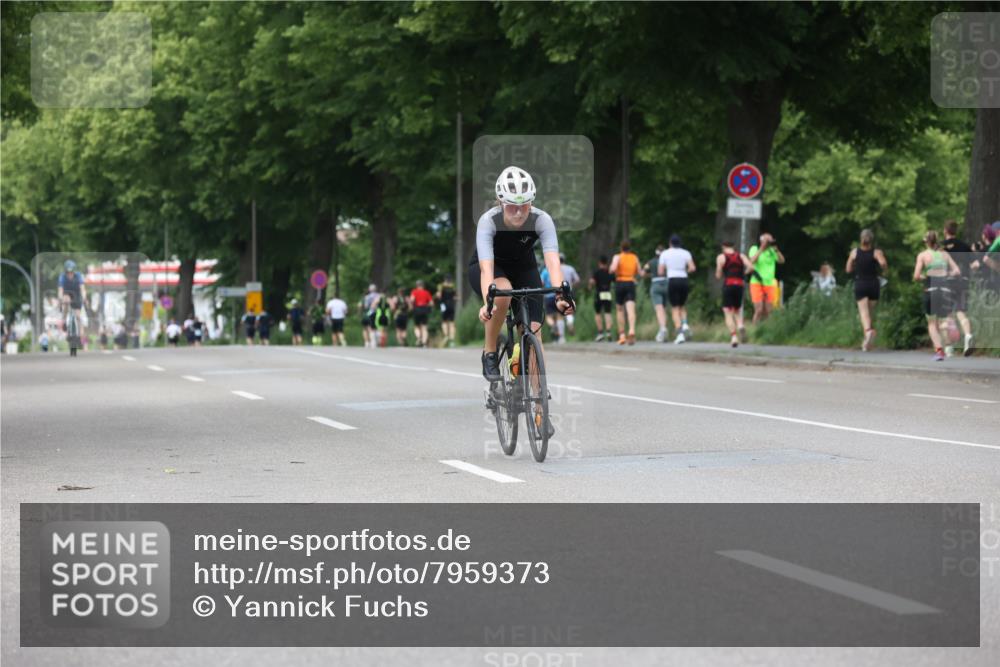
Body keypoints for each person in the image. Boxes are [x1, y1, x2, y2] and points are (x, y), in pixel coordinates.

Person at [468, 164, 573, 417]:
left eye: (524, 205)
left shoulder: (542, 220)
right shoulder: (488, 221)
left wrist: (561, 295)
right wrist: (488, 303)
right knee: (501, 293)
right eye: (512, 206)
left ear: (532, 202)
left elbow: (552, 261)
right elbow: (486, 269)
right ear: (501, 202)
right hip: (492, 269)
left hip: (524, 269)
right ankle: (490, 350)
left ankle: (540, 409)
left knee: (534, 331)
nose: (518, 212)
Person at [913, 230, 962, 361]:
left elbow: (916, 276)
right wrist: (946, 275)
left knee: (931, 323)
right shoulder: (944, 254)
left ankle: (939, 351)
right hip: (945, 290)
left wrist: (926, 276)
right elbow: (957, 271)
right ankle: (949, 345)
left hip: (931, 290)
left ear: (926, 242)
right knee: (943, 320)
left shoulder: (923, 255)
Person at [845, 229, 888, 351]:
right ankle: (867, 343)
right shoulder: (876, 252)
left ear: (861, 239)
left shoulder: (855, 252)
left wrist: (853, 263)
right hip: (874, 284)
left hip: (861, 284)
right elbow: (883, 264)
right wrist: (884, 269)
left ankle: (868, 332)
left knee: (864, 314)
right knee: (870, 313)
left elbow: (848, 269)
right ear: (871, 240)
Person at [941, 219, 974, 356]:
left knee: (946, 316)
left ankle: (949, 348)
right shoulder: (965, 246)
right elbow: (975, 264)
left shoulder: (940, 247)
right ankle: (968, 336)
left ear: (945, 231)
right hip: (963, 282)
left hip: (947, 282)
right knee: (961, 312)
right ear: (955, 231)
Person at [658, 234, 696, 344]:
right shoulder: (686, 253)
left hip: (672, 280)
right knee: (682, 305)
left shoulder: (665, 253)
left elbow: (660, 271)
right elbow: (692, 268)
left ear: (670, 243)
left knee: (675, 308)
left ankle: (679, 334)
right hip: (684, 279)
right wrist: (684, 271)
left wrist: (667, 271)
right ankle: (684, 324)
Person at [715, 240, 751, 347]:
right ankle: (740, 325)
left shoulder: (721, 257)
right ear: (734, 247)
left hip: (728, 285)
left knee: (727, 311)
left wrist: (721, 272)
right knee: (737, 309)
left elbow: (718, 274)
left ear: (723, 247)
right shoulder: (741, 256)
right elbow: (751, 267)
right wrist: (743, 274)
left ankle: (734, 337)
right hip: (739, 285)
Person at [609, 239, 643, 345]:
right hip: (631, 283)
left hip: (620, 283)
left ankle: (622, 335)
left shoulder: (617, 257)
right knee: (631, 309)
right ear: (630, 248)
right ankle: (632, 330)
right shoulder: (634, 257)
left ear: (621, 248)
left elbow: (613, 268)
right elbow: (640, 272)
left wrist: (611, 269)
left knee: (619, 310)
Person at [747, 233, 785, 324]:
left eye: (770, 242)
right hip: (757, 282)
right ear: (761, 241)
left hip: (769, 283)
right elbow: (752, 261)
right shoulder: (754, 249)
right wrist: (761, 249)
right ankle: (754, 329)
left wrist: (777, 251)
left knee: (769, 310)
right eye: (767, 241)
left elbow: (782, 261)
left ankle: (768, 330)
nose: (769, 244)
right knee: (759, 309)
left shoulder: (772, 251)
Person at [57, 260, 87, 346]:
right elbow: (60, 290)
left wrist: (84, 298)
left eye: (71, 272)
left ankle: (82, 341)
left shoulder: (78, 276)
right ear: (65, 272)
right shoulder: (62, 277)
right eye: (67, 272)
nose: (69, 274)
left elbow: (82, 288)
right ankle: (64, 319)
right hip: (67, 294)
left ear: (74, 271)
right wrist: (60, 299)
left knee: (78, 316)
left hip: (77, 295)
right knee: (66, 300)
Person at [646, 244, 670, 342]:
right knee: (664, 309)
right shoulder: (667, 262)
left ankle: (663, 328)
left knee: (659, 308)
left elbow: (643, 272)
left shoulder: (651, 262)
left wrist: (650, 274)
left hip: (656, 283)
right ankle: (662, 330)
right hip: (667, 283)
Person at [589, 255, 615, 341]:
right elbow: (614, 281)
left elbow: (592, 282)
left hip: (599, 293)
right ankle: (608, 332)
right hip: (607, 293)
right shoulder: (609, 272)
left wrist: (590, 286)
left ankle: (600, 333)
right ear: (607, 263)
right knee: (608, 313)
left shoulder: (596, 272)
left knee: (598, 313)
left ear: (599, 263)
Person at [559, 254, 581, 338]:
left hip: (558, 292)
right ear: (564, 260)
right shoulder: (570, 268)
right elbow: (577, 280)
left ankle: (561, 336)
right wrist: (571, 285)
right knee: (569, 309)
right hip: (569, 291)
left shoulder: (555, 269)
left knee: (559, 313)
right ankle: (570, 323)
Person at [409, 280, 433, 347]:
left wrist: (411, 306)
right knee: (424, 327)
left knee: (417, 326)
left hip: (417, 309)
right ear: (423, 285)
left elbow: (412, 300)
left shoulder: (414, 292)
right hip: (424, 309)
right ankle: (424, 342)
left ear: (417, 285)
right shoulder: (426, 292)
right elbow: (431, 303)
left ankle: (419, 337)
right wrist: (427, 306)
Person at [436, 275, 457, 347]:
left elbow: (439, 295)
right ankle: (452, 340)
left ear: (444, 280)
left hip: (443, 305)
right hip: (451, 305)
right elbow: (456, 297)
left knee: (444, 321)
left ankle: (446, 335)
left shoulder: (441, 286)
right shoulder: (453, 286)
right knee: (452, 323)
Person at [360, 284, 381, 348]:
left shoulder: (367, 297)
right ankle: (376, 341)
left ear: (369, 289)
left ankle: (368, 342)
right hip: (378, 313)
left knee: (367, 327)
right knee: (376, 327)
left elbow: (366, 306)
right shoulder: (379, 296)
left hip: (369, 313)